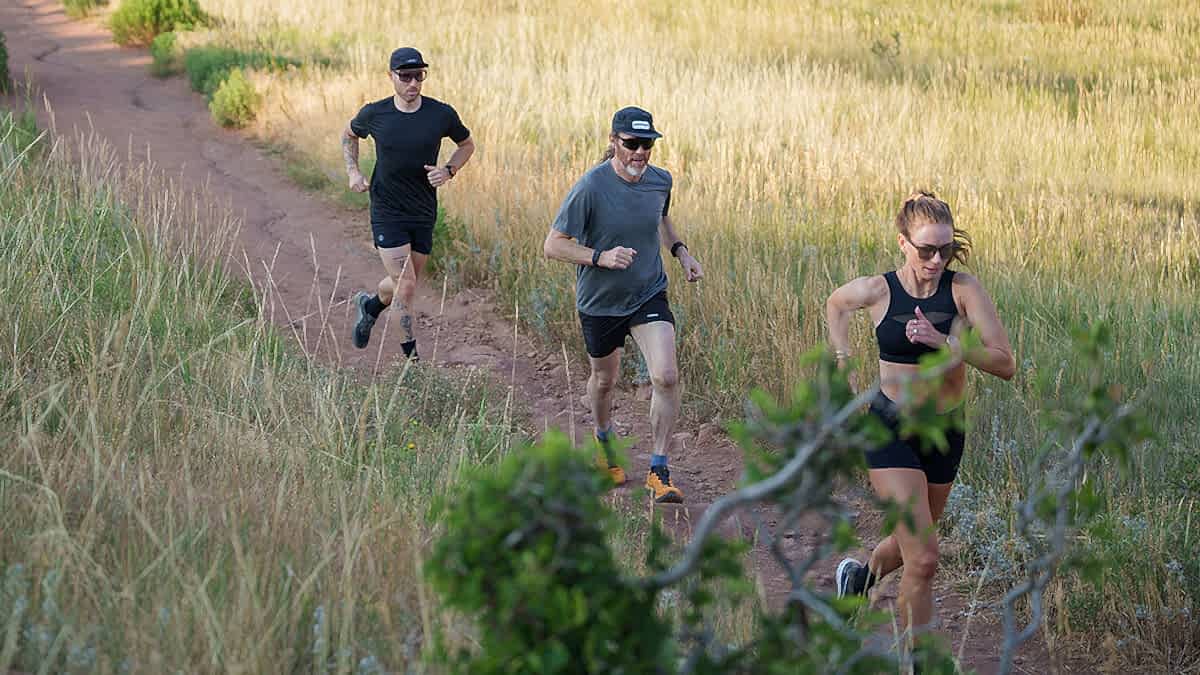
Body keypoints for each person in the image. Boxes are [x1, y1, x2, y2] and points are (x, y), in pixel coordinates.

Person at [827, 191, 1015, 633]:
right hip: (888, 427)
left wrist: (948, 344)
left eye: (944, 249)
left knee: (914, 538)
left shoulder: (963, 290)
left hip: (944, 431)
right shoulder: (878, 290)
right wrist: (842, 362)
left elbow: (1005, 363)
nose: (936, 259)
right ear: (903, 243)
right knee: (926, 557)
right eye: (926, 249)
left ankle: (859, 578)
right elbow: (836, 303)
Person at [543, 106, 704, 504]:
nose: (640, 152)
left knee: (665, 375)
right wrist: (601, 257)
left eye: (647, 144)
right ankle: (602, 442)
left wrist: (682, 253)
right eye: (631, 144)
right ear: (614, 141)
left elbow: (662, 219)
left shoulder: (660, 181)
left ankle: (659, 469)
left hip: (648, 291)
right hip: (600, 301)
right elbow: (553, 245)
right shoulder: (590, 187)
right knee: (604, 381)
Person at [343, 47, 475, 360]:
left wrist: (449, 170)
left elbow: (466, 145)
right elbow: (349, 135)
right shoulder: (375, 114)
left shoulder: (440, 114)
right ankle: (411, 364)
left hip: (423, 210)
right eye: (405, 76)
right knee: (406, 286)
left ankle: (371, 306)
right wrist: (352, 171)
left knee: (404, 283)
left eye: (418, 76)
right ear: (391, 77)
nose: (413, 83)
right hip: (387, 210)